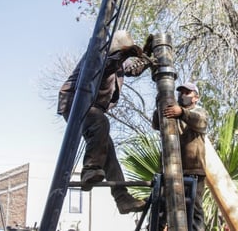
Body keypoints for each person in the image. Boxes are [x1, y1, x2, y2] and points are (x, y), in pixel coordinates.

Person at [57, 30, 150, 214]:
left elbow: (132, 69)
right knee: (100, 121)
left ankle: (122, 198)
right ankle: (90, 168)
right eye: (121, 53)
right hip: (75, 103)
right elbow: (105, 66)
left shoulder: (119, 65)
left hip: (92, 109)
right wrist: (124, 53)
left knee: (108, 151)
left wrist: (146, 58)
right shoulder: (98, 55)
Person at [152, 82, 208, 231]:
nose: (182, 95)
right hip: (171, 170)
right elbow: (157, 124)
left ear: (196, 98)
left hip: (193, 170)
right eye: (181, 92)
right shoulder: (172, 114)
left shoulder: (199, 112)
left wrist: (182, 113)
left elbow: (200, 122)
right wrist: (160, 104)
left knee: (194, 210)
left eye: (187, 93)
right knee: (161, 208)